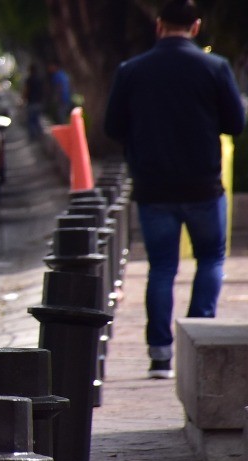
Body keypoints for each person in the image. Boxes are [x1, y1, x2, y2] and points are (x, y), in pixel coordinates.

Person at [104, 0, 245, 379]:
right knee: (211, 259)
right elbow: (235, 123)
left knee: (162, 267)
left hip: (153, 187)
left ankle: (160, 355)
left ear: (159, 25)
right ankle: (200, 343)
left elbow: (113, 127)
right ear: (196, 27)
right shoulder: (215, 67)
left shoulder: (132, 70)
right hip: (203, 185)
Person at [23, 63, 45, 140]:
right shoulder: (40, 79)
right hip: (39, 102)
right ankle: (40, 134)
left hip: (32, 102)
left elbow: (26, 91)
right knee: (37, 119)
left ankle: (33, 136)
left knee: (31, 120)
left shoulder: (29, 80)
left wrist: (23, 99)